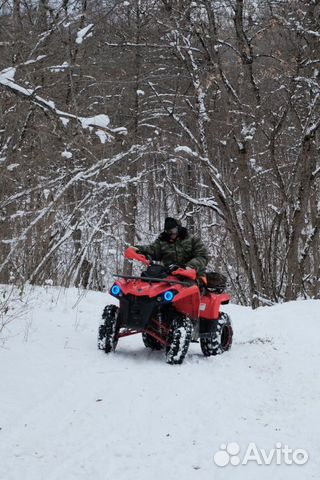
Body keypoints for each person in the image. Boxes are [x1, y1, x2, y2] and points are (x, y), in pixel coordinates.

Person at [133, 217, 209, 277]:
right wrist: (138, 249)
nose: (171, 234)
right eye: (168, 231)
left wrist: (189, 267)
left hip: (192, 275)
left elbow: (202, 256)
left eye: (173, 230)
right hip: (169, 275)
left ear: (178, 228)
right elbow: (152, 249)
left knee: (188, 289)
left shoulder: (192, 239)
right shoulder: (162, 241)